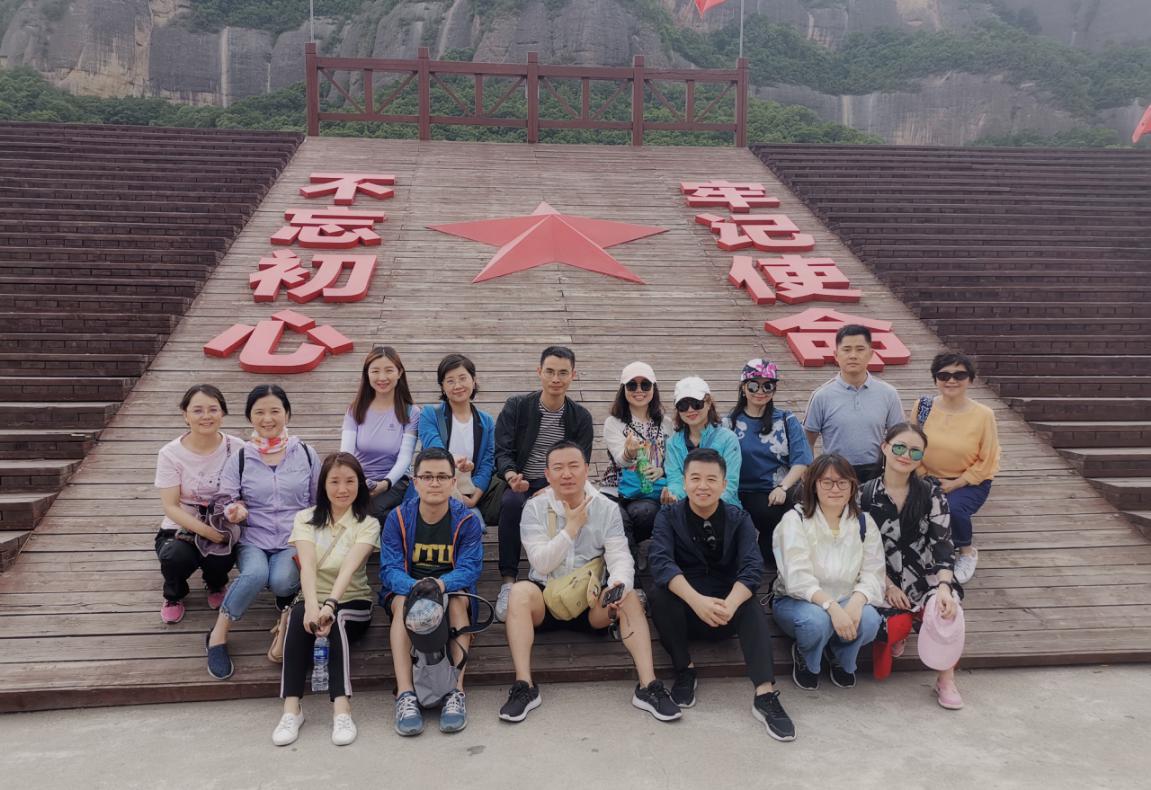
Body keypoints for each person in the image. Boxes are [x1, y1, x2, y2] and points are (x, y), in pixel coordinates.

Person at [498, 442, 681, 724]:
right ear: (547, 474)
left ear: (586, 469)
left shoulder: (606, 508)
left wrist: (618, 585)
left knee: (629, 595)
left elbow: (620, 556)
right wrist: (571, 528)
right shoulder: (534, 507)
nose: (566, 474)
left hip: (591, 600)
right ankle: (524, 686)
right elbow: (541, 563)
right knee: (519, 592)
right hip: (546, 598)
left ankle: (648, 686)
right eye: (558, 468)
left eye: (573, 466)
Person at [648, 448, 796, 741]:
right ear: (684, 481)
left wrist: (730, 604)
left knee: (749, 605)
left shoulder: (739, 518)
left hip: (726, 610)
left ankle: (765, 694)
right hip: (687, 612)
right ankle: (685, 670)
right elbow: (661, 562)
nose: (703, 486)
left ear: (724, 483)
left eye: (711, 479)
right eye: (695, 478)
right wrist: (696, 601)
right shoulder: (668, 516)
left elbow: (752, 567)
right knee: (659, 594)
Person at [206, 385, 320, 680]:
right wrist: (234, 510)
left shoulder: (306, 454)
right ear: (250, 417)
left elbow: (317, 500)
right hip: (253, 538)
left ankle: (284, 597)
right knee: (255, 574)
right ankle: (218, 634)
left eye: (274, 411)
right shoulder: (241, 457)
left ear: (287, 414)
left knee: (282, 581)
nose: (267, 418)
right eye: (259, 412)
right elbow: (226, 499)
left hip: (293, 538)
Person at [272, 453, 380, 747]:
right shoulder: (304, 518)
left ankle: (342, 710)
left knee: (338, 619)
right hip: (313, 598)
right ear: (323, 485)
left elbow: (349, 569)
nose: (342, 489)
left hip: (353, 602)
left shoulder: (368, 523)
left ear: (360, 484)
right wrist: (311, 606)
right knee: (298, 615)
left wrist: (329, 605)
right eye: (334, 482)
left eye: (350, 481)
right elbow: (307, 565)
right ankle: (291, 710)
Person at [379, 448, 484, 736]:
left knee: (458, 601)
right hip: (408, 590)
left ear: (453, 482)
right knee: (403, 602)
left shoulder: (467, 520)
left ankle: (456, 692)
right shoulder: (398, 518)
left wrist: (440, 585)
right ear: (415, 482)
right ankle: (405, 694)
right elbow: (389, 569)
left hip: (448, 590)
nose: (434, 483)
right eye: (427, 476)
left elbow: (470, 568)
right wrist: (416, 588)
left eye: (442, 477)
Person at [859, 423, 965, 710]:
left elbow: (943, 544)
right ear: (885, 447)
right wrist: (888, 585)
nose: (906, 455)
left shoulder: (931, 494)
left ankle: (946, 679)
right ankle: (901, 632)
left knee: (947, 609)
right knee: (886, 624)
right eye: (899, 447)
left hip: (924, 574)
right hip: (881, 576)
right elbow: (859, 550)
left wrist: (944, 586)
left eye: (915, 451)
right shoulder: (864, 495)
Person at [493, 346, 593, 621]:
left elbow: (581, 462)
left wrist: (551, 488)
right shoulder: (517, 407)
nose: (555, 379)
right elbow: (502, 451)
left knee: (579, 507)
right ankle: (508, 582)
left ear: (573, 375)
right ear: (539, 372)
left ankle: (562, 577)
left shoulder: (580, 417)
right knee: (511, 503)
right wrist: (511, 476)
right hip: (521, 479)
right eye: (549, 371)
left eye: (563, 373)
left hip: (560, 483)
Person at [772, 454, 885, 691]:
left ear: (852, 486)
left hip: (846, 597)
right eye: (827, 482)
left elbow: (873, 572)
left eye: (843, 482)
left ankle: (840, 655)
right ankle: (807, 658)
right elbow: (796, 578)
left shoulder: (864, 522)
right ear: (814, 485)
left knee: (870, 620)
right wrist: (832, 608)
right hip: (799, 602)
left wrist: (856, 602)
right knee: (816, 622)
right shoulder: (795, 519)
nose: (835, 489)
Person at [154, 384, 244, 624]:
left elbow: (246, 492)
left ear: (222, 413)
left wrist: (238, 512)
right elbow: (171, 506)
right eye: (197, 410)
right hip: (181, 526)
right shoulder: (170, 453)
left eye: (213, 409)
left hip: (222, 522)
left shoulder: (238, 448)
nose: (206, 416)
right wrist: (207, 532)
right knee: (174, 557)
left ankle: (216, 583)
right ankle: (174, 595)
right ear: (185, 415)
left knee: (223, 554)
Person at [913, 352, 1000, 584]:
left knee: (952, 508)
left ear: (970, 379)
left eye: (959, 375)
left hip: (969, 481)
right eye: (944, 375)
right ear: (935, 379)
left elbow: (988, 459)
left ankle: (966, 552)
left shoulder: (983, 415)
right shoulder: (923, 407)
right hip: (926, 476)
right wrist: (924, 476)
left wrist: (956, 483)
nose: (951, 380)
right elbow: (912, 445)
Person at [723, 359, 812, 565]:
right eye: (753, 385)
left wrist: (783, 487)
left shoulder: (787, 420)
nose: (760, 391)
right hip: (740, 490)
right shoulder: (728, 423)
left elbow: (801, 460)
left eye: (768, 385)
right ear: (743, 387)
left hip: (778, 490)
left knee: (801, 508)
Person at [803, 325, 904, 484]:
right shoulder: (821, 396)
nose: (853, 355)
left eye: (860, 349)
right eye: (846, 349)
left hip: (876, 473)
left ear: (871, 354)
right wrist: (811, 473)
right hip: (835, 474)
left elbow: (899, 438)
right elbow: (807, 441)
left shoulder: (888, 394)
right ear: (836, 355)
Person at [599, 361, 672, 566]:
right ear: (623, 389)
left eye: (645, 385)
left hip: (649, 490)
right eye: (632, 385)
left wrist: (661, 470)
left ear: (653, 388)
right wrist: (629, 452)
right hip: (615, 488)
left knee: (645, 513)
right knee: (616, 517)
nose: (639, 390)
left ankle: (627, 554)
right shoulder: (614, 422)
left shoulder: (666, 423)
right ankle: (628, 570)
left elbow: (673, 459)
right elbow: (620, 459)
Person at [340, 346, 420, 525]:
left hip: (394, 481)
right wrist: (358, 482)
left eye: (389, 370)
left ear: (399, 373)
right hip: (359, 479)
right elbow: (346, 455)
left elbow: (405, 458)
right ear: (367, 374)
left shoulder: (411, 412)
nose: (382, 377)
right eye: (375, 371)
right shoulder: (355, 410)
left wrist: (385, 483)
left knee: (372, 511)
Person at [416, 353, 497, 524]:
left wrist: (474, 497)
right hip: (432, 490)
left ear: (473, 380)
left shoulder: (487, 422)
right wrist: (453, 460)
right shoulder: (429, 414)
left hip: (467, 493)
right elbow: (434, 450)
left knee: (473, 526)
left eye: (462, 378)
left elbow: (487, 463)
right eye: (450, 381)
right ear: (442, 387)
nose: (457, 385)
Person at [664, 376, 741, 507]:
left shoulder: (728, 439)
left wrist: (704, 506)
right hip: (685, 508)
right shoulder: (672, 443)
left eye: (696, 403)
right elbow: (675, 480)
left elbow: (730, 483)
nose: (690, 410)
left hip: (722, 508)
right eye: (683, 405)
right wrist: (676, 497)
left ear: (709, 403)